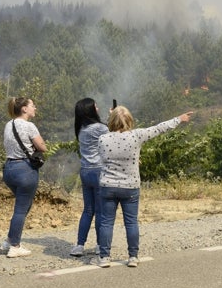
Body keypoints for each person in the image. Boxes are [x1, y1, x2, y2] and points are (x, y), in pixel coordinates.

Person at [94, 106, 193, 268]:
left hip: (108, 186)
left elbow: (104, 158)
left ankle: (104, 257)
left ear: (111, 121)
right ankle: (133, 256)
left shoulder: (103, 139)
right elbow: (159, 128)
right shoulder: (136, 136)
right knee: (131, 222)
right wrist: (179, 119)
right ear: (130, 120)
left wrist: (112, 116)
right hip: (130, 186)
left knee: (106, 222)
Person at [1, 96, 47, 257]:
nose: (35, 108)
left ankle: (9, 240)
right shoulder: (29, 126)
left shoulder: (9, 124)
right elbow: (42, 147)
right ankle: (15, 245)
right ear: (24, 109)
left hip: (9, 168)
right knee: (21, 208)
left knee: (23, 205)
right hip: (25, 170)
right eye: (33, 105)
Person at [70, 98, 109, 257]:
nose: (98, 107)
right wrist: (113, 116)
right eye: (95, 106)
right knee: (100, 211)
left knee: (88, 210)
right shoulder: (100, 128)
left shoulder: (81, 129)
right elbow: (113, 136)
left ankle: (79, 245)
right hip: (99, 170)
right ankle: (100, 245)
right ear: (90, 110)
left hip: (85, 171)